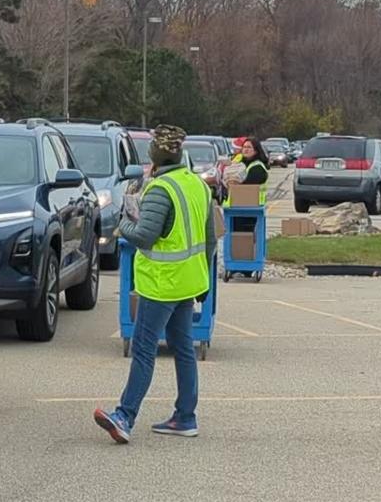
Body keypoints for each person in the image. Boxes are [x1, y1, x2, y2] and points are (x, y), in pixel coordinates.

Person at [94, 124, 215, 443]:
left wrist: (122, 224)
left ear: (155, 155)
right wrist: (205, 280)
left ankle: (125, 415)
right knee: (183, 348)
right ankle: (185, 417)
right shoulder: (197, 185)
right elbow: (211, 238)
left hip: (162, 284)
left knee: (144, 348)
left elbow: (145, 235)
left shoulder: (161, 189)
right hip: (189, 281)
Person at [224, 137, 269, 232]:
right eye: (244, 147)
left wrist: (235, 182)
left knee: (244, 237)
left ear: (256, 151)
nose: (246, 149)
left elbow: (246, 186)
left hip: (251, 209)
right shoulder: (241, 164)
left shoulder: (257, 167)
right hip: (236, 207)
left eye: (249, 147)